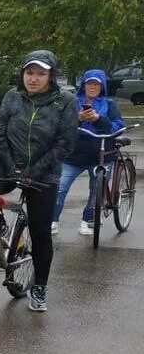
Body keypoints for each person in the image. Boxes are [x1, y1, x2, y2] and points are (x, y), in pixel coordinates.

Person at [0, 50, 77, 312]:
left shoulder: (64, 101)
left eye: (41, 74)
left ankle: (39, 287)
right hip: (12, 163)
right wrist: (11, 166)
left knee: (41, 233)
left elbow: (64, 143)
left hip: (45, 173)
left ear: (50, 76)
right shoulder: (13, 96)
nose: (33, 79)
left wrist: (35, 171)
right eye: (29, 73)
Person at [52, 68, 125, 236]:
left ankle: (88, 220)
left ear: (102, 86)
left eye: (96, 84)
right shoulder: (73, 102)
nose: (92, 87)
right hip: (73, 155)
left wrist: (98, 119)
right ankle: (53, 220)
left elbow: (118, 127)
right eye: (89, 83)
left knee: (96, 190)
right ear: (83, 85)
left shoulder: (109, 104)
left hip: (101, 155)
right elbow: (61, 126)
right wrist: (79, 119)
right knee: (60, 187)